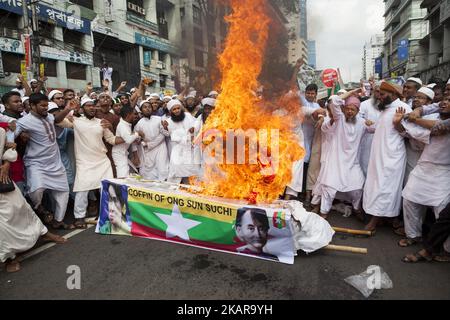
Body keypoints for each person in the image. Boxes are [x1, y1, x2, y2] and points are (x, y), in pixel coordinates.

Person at [0, 129, 66, 273]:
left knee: (22, 208)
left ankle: (44, 233)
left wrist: (6, 164)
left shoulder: (0, 132)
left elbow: (9, 148)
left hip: (3, 180)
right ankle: (10, 257)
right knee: (3, 223)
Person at [57, 98, 125, 228]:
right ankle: (79, 217)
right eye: (88, 106)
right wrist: (68, 109)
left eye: (93, 106)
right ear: (82, 109)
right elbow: (58, 121)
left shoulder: (101, 122)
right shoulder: (75, 121)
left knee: (106, 189)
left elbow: (111, 139)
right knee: (82, 190)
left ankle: (110, 215)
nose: (92, 108)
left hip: (102, 161)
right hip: (84, 162)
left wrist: (131, 137)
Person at [393, 95, 450, 247]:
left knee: (443, 210)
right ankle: (413, 235)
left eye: (449, 101)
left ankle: (444, 248)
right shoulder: (432, 116)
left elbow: (438, 128)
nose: (444, 102)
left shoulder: (438, 123)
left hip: (444, 171)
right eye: (445, 98)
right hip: (424, 167)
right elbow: (411, 130)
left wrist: (413, 119)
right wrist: (404, 119)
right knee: (409, 199)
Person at [312, 89, 373, 219]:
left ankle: (357, 209)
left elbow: (378, 128)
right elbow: (334, 100)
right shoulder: (339, 119)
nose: (350, 111)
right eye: (348, 108)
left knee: (357, 188)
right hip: (335, 162)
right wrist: (352, 92)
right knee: (329, 189)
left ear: (358, 111)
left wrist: (371, 124)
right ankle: (323, 214)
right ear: (344, 108)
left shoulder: (362, 123)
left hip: (352, 164)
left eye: (353, 109)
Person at [15, 93, 72, 229]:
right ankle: (38, 207)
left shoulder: (48, 117)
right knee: (36, 189)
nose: (45, 108)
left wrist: (67, 109)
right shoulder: (24, 121)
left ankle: (58, 220)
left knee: (63, 192)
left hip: (55, 162)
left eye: (46, 105)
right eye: (42, 106)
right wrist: (18, 137)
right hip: (36, 162)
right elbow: (11, 135)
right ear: (32, 106)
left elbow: (55, 118)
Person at [363, 81, 412, 232]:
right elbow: (380, 128)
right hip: (379, 155)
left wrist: (399, 125)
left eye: (382, 94)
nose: (379, 97)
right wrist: (368, 125)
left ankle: (375, 221)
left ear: (393, 94)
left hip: (391, 157)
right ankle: (387, 217)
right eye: (378, 94)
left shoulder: (403, 108)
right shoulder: (386, 109)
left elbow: (410, 133)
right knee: (378, 186)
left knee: (385, 188)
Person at [162, 99, 201, 184]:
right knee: (176, 172)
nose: (176, 111)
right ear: (171, 111)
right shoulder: (168, 121)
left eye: (178, 108)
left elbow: (196, 124)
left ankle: (192, 189)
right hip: (177, 149)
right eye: (174, 109)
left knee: (192, 171)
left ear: (181, 108)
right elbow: (167, 134)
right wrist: (165, 128)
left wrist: (193, 128)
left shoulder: (187, 115)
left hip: (190, 148)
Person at [404, 87, 435, 184]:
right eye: (415, 97)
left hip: (426, 156)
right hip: (411, 154)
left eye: (420, 97)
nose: (416, 99)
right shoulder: (409, 113)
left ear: (429, 101)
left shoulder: (434, 116)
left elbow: (420, 134)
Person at [134, 101, 169, 181]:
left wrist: (166, 128)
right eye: (145, 107)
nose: (147, 109)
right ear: (141, 110)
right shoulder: (139, 124)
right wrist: (141, 140)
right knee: (148, 173)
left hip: (161, 149)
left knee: (162, 170)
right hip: (147, 151)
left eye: (149, 107)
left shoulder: (159, 119)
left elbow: (165, 134)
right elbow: (136, 140)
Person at [112, 106, 144, 178]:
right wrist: (137, 133)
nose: (136, 116)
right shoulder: (122, 126)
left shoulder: (127, 124)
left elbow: (130, 139)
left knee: (128, 173)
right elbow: (128, 139)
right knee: (123, 175)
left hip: (123, 153)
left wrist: (136, 138)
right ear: (128, 115)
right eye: (134, 114)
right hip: (119, 154)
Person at [358, 82, 381, 176]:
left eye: (382, 92)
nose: (379, 94)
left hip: (383, 141)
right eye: (377, 91)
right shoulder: (364, 105)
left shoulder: (389, 106)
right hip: (367, 141)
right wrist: (364, 122)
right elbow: (357, 119)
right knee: (365, 166)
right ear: (373, 91)